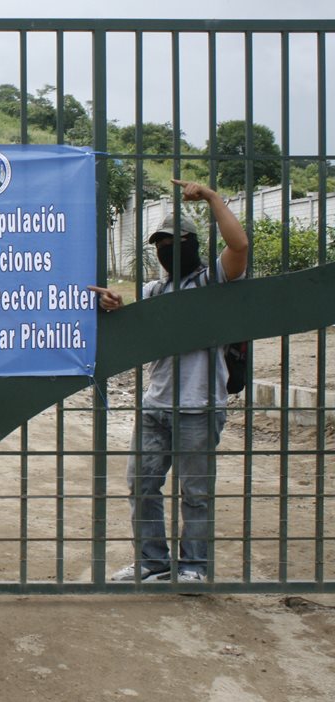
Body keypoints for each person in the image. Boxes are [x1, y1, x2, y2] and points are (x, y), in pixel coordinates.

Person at [89, 179, 248, 583]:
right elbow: (141, 336)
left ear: (191, 244)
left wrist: (212, 198)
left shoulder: (213, 282)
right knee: (141, 485)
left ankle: (194, 567)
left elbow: (239, 248)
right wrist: (116, 307)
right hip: (155, 405)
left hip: (199, 405)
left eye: (173, 242)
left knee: (195, 493)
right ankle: (152, 563)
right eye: (159, 244)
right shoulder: (154, 289)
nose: (165, 251)